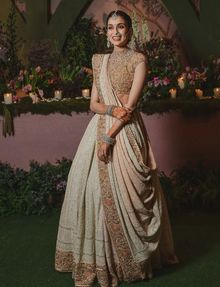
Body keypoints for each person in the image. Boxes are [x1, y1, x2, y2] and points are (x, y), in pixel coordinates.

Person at [55, 9, 178, 287]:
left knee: (133, 190)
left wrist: (109, 136)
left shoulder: (138, 60)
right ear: (106, 32)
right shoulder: (99, 61)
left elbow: (130, 108)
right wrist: (111, 111)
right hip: (99, 128)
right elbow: (94, 104)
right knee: (93, 194)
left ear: (130, 30)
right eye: (111, 28)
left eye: (121, 27)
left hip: (125, 132)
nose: (116, 32)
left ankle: (130, 259)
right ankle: (102, 260)